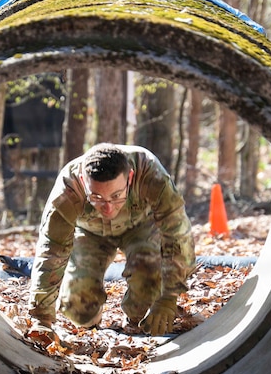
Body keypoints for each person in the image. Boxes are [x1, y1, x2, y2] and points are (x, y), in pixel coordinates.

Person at [28, 143, 196, 337]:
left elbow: (178, 234)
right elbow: (51, 251)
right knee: (78, 308)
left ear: (130, 177)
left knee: (148, 292)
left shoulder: (149, 172)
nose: (107, 208)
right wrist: (41, 318)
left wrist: (169, 297)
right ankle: (91, 317)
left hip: (141, 227)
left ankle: (135, 321)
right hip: (90, 233)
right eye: (96, 197)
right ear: (83, 181)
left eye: (116, 196)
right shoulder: (68, 188)